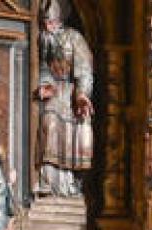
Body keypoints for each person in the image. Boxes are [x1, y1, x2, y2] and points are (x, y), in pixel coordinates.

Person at [35, 0, 94, 197]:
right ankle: (49, 182)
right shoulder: (44, 40)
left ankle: (69, 184)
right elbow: (43, 66)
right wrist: (45, 84)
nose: (47, 27)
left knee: (75, 132)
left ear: (59, 21)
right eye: (44, 23)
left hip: (72, 92)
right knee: (49, 123)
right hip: (54, 90)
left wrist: (82, 95)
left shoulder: (74, 38)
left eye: (50, 22)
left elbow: (85, 70)